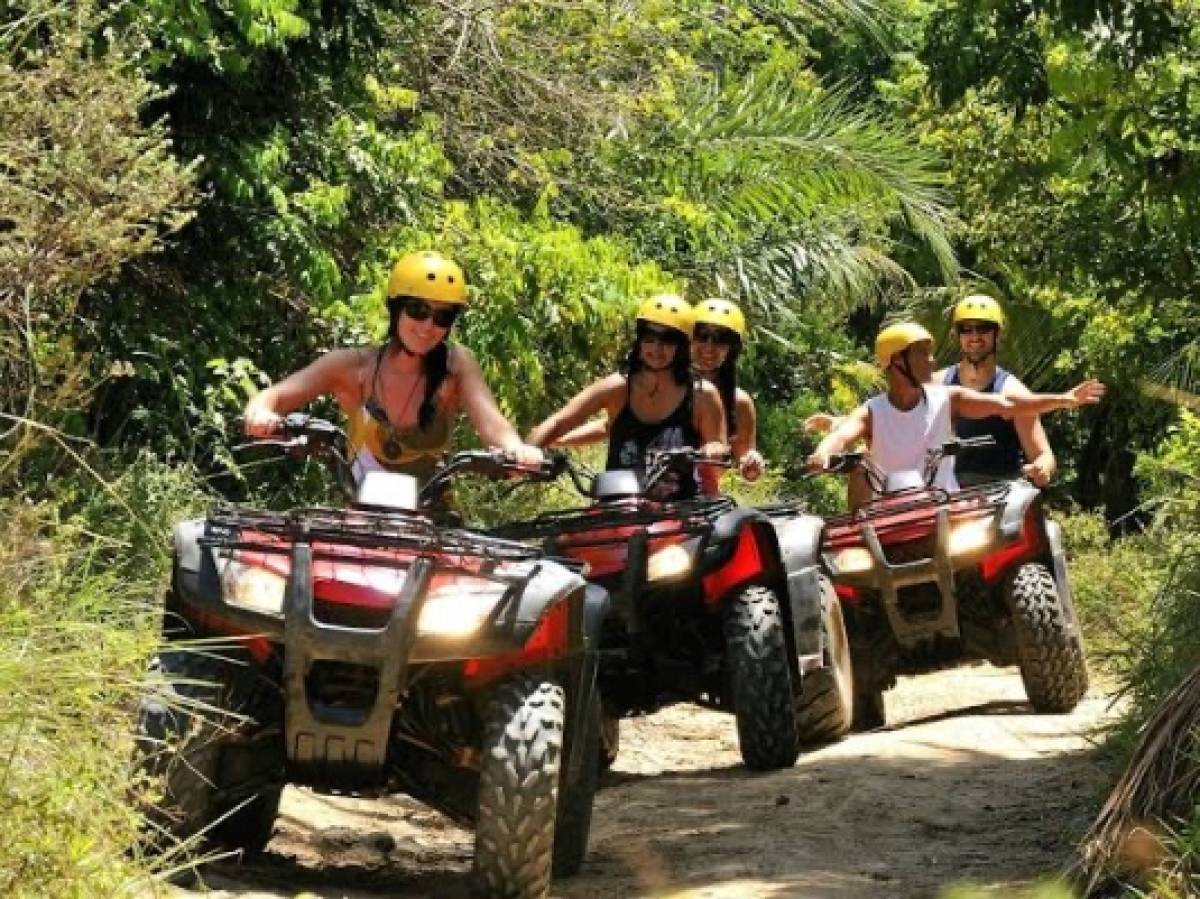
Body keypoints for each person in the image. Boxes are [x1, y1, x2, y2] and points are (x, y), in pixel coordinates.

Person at [242, 250, 543, 485]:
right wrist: (261, 415)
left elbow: (492, 424)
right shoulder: (352, 367)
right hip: (362, 518)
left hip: (432, 522)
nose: (428, 326)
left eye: (443, 317)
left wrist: (515, 450)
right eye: (418, 310)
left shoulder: (456, 365)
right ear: (396, 308)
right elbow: (274, 396)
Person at [805, 322, 1104, 498]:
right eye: (922, 354)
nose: (932, 361)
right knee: (858, 476)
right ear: (897, 362)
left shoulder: (948, 397)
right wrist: (823, 453)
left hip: (944, 510)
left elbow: (1009, 404)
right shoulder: (871, 411)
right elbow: (842, 437)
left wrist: (1065, 399)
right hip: (890, 516)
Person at [526, 293, 727, 500]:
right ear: (639, 340)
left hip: (679, 509)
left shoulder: (702, 395)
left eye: (668, 340)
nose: (657, 348)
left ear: (683, 346)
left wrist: (714, 451)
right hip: (617, 505)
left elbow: (718, 458)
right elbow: (559, 422)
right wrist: (525, 452)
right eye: (649, 338)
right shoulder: (617, 387)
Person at [553, 297, 764, 493]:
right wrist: (556, 439)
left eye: (721, 339)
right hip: (636, 486)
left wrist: (750, 465)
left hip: (694, 495)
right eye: (702, 336)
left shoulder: (738, 402)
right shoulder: (651, 381)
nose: (709, 347)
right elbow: (611, 425)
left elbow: (743, 458)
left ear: (732, 349)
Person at [937, 294, 1055, 487]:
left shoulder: (1014, 392)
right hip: (946, 492)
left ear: (997, 334)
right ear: (956, 336)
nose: (975, 337)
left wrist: (1041, 468)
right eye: (966, 329)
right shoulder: (936, 385)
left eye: (983, 328)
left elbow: (1043, 454)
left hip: (1001, 493)